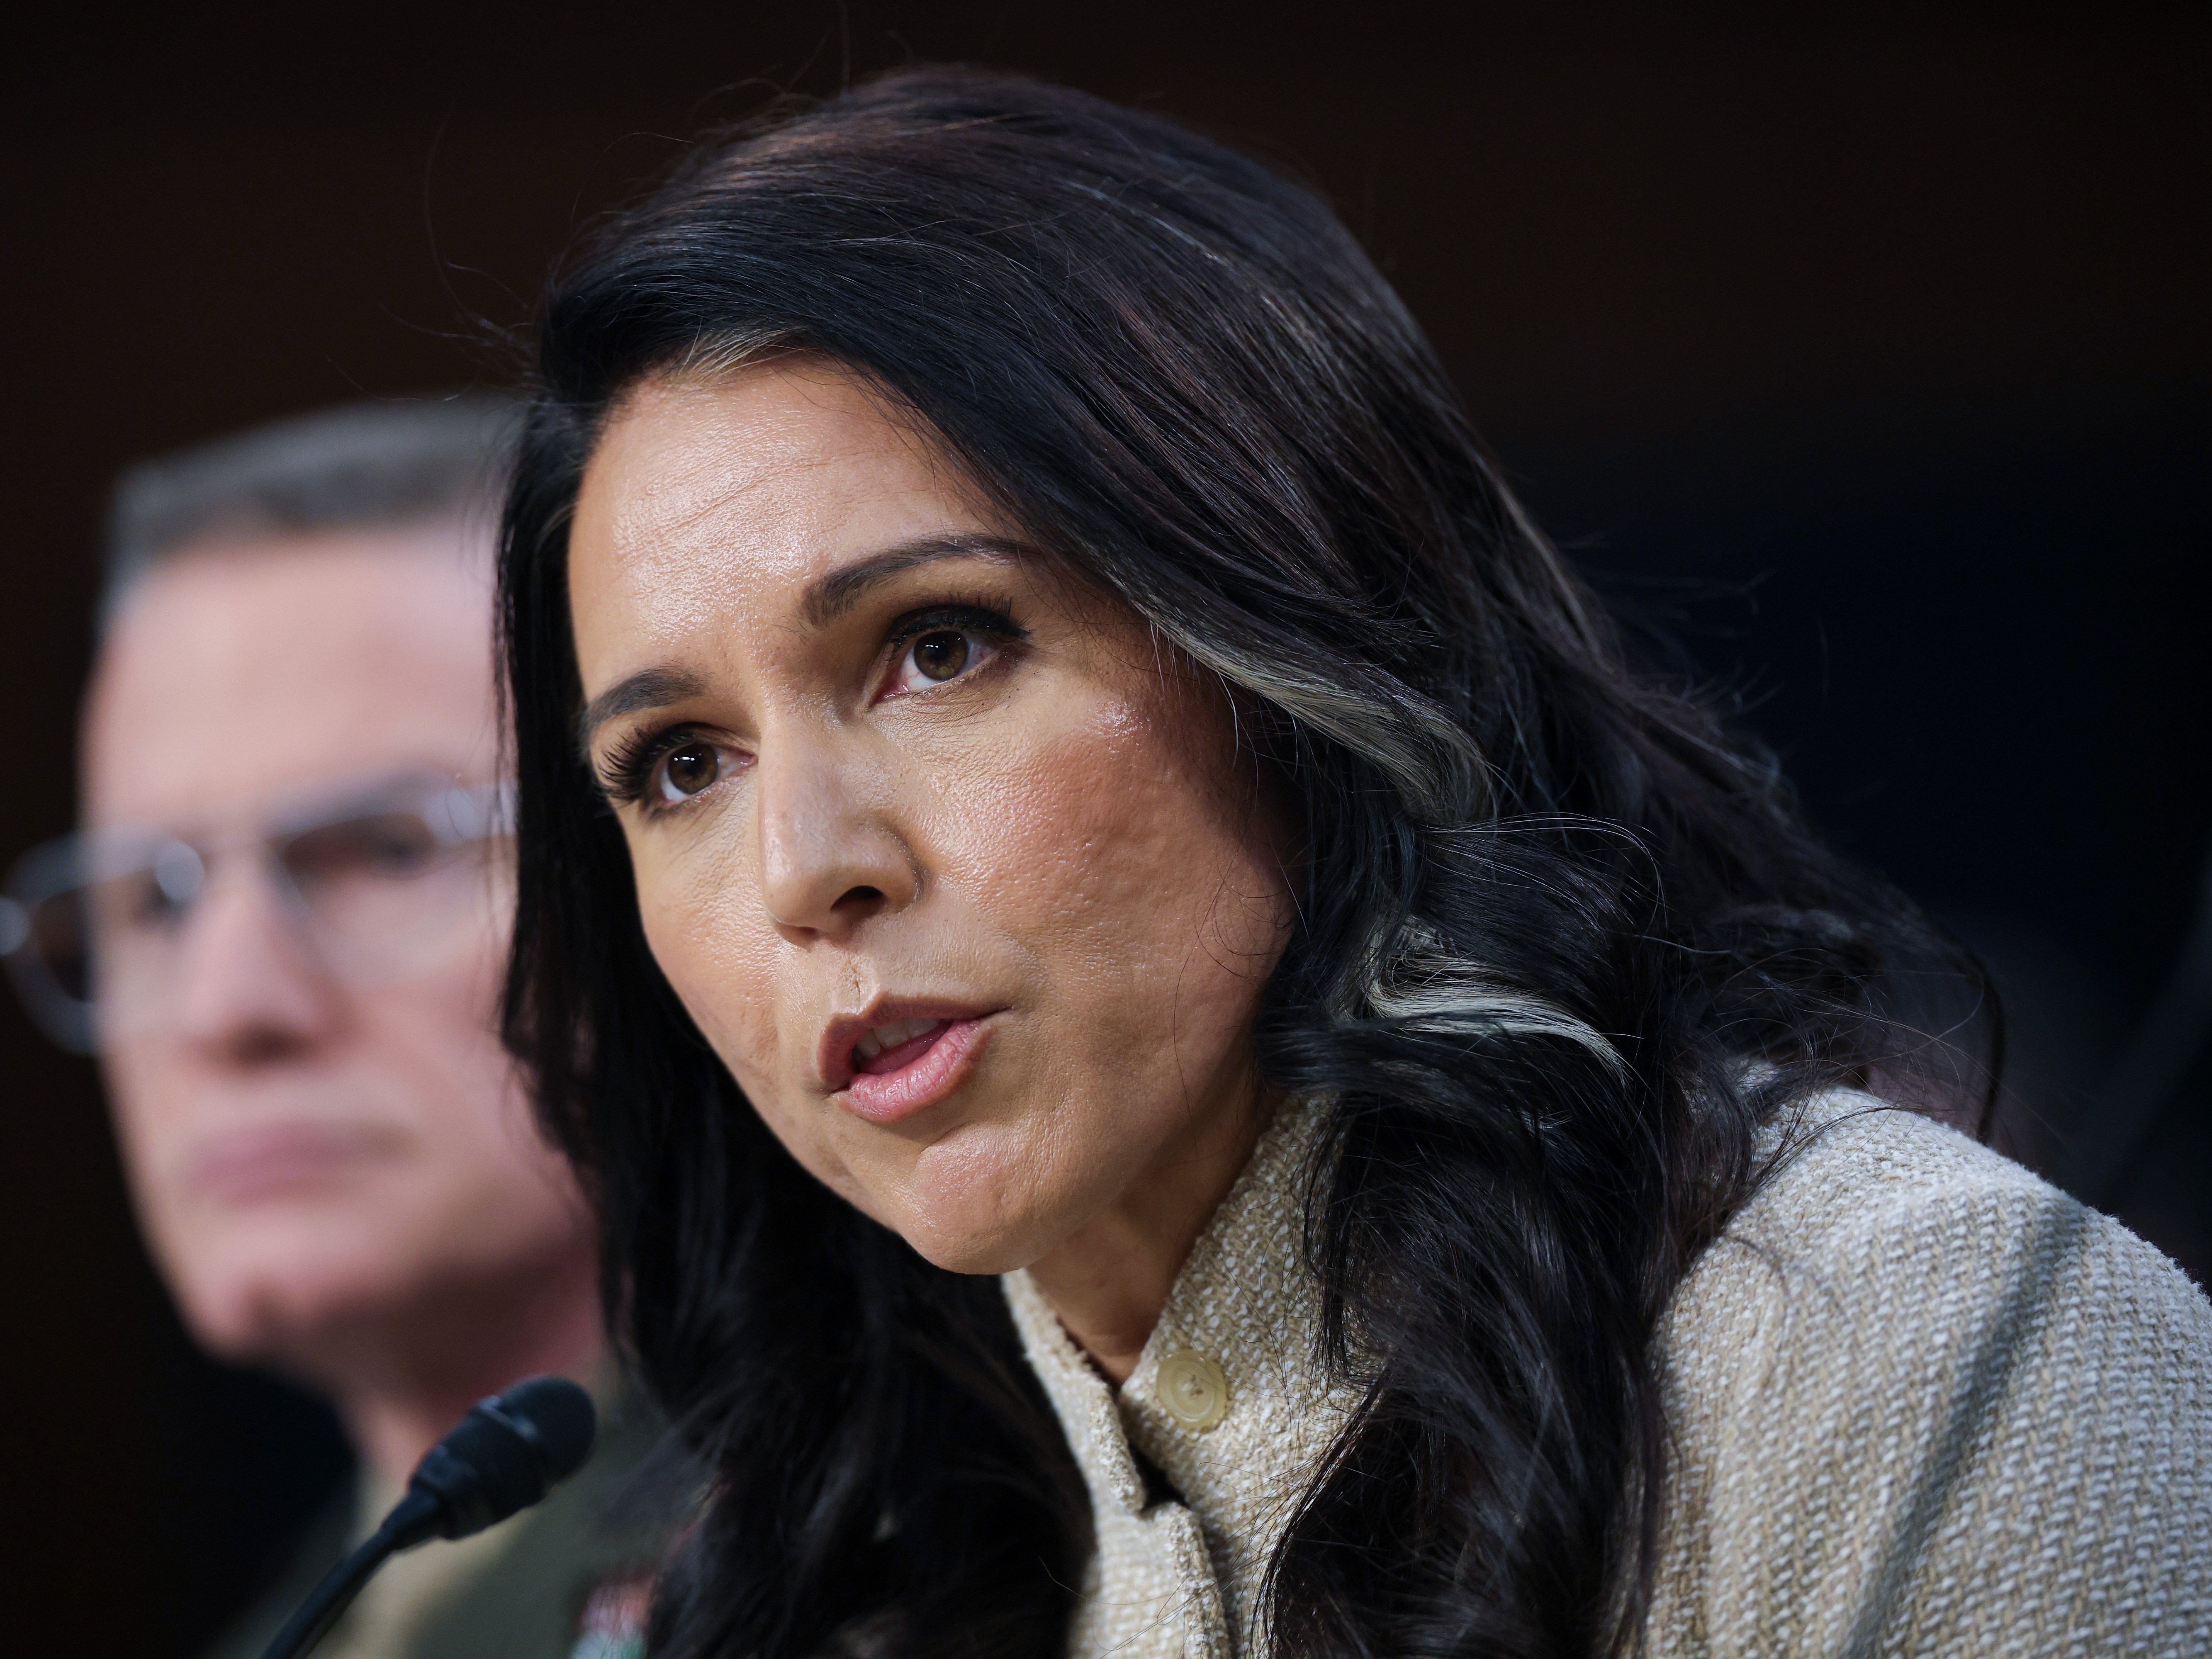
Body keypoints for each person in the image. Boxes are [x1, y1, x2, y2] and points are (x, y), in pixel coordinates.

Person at [492, 70, 2212, 1659]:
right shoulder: (842, 1583)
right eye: (679, 765)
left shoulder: (1921, 1358)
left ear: (1290, 641)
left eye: (939, 647)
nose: (806, 869)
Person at [1, 401, 677, 1658]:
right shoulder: (308, 1620)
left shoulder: (856, 1557)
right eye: (152, 898)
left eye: (383, 848)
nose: (228, 1008)